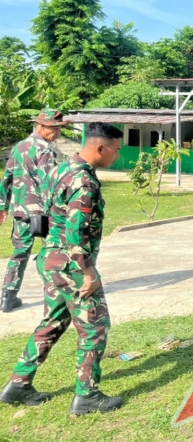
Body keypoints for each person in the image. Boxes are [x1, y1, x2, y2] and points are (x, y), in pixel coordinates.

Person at [0, 123, 124, 415]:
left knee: (54, 321)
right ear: (100, 148)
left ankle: (18, 384)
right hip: (72, 266)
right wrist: (89, 274)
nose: (117, 157)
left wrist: (50, 249)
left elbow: (41, 211)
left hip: (50, 259)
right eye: (116, 151)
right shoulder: (84, 183)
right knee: (95, 327)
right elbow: (76, 234)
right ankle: (87, 397)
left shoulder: (58, 169)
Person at [0, 108, 68, 313]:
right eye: (55, 129)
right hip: (43, 212)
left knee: (19, 253)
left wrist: (3, 206)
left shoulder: (19, 147)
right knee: (54, 250)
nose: (58, 133)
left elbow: (6, 178)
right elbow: (49, 182)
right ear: (42, 126)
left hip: (21, 211)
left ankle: (7, 297)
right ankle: (57, 291)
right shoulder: (45, 150)